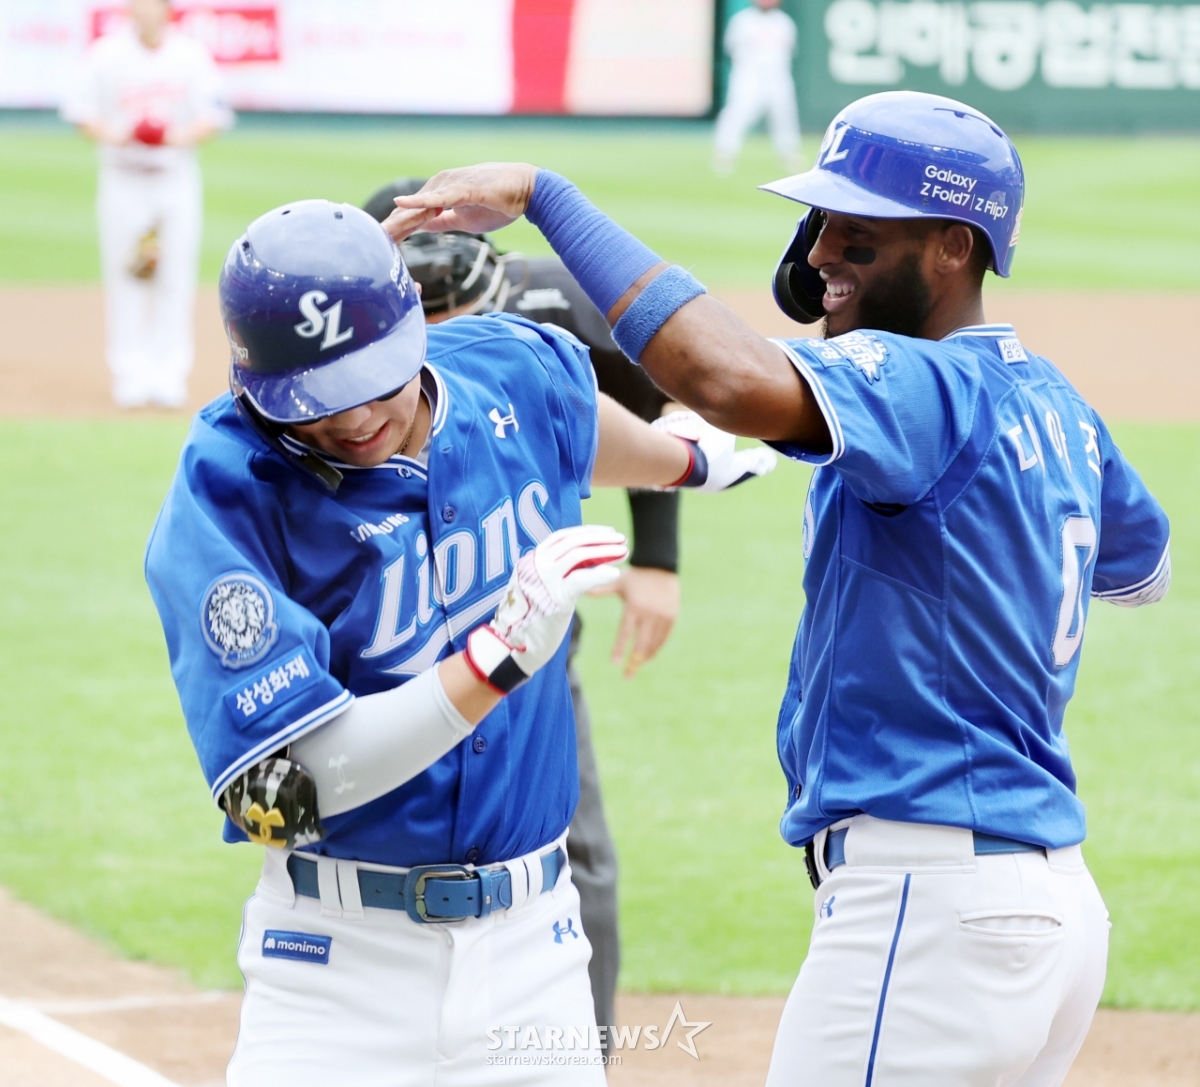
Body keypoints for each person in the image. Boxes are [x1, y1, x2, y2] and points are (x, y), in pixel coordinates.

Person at [382, 89, 1172, 1086]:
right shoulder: (1058, 405)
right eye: (820, 221)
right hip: (1049, 905)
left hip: (930, 900)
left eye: (859, 230)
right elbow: (1140, 571)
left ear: (954, 247)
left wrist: (549, 197)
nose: (823, 250)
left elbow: (728, 382)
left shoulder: (920, 383)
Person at [144, 199, 773, 1085]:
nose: (354, 418)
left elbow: (572, 420)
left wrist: (693, 462)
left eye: (376, 382)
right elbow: (283, 795)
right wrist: (494, 658)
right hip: (336, 971)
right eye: (318, 401)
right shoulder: (226, 489)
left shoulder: (508, 364)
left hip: (536, 954)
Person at [363, 179, 695, 1044]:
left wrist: (657, 559)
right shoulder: (348, 339)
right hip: (391, 639)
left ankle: (586, 1050)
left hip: (533, 634)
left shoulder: (548, 306)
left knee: (575, 846)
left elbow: (655, 394)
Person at [61, 0, 232, 408]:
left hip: (174, 177)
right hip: (123, 176)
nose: (145, 11)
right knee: (126, 273)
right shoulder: (107, 55)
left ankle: (169, 374)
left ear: (167, 10)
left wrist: (173, 137)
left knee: (175, 274)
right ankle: (130, 373)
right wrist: (120, 134)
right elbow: (80, 111)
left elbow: (214, 115)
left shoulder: (189, 55)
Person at [713, 0, 802, 175]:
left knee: (784, 115)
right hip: (748, 76)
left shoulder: (784, 22)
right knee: (736, 114)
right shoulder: (742, 21)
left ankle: (789, 154)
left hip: (777, 76)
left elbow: (791, 50)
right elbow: (730, 48)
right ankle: (724, 153)